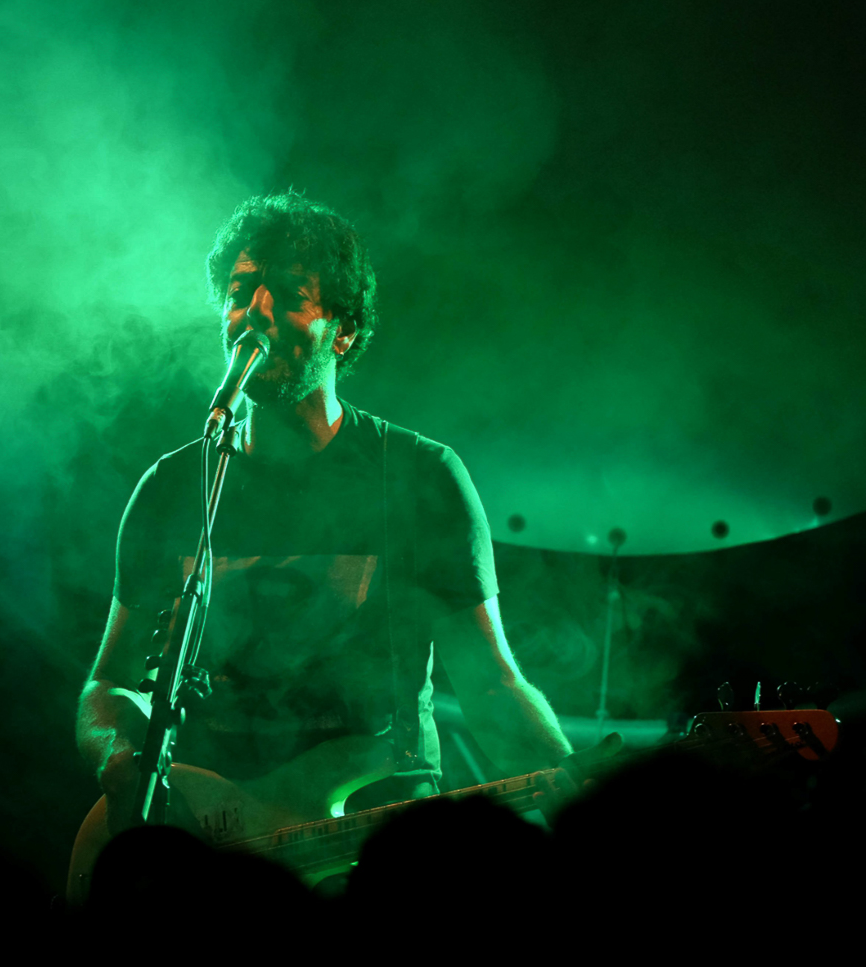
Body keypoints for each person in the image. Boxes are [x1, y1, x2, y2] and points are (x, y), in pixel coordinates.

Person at [76, 193, 570, 856]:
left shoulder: (418, 477)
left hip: (379, 837)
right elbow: (107, 683)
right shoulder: (173, 488)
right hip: (211, 840)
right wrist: (118, 752)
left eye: (287, 295)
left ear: (343, 330)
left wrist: (575, 788)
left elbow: (489, 684)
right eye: (240, 293)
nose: (256, 311)